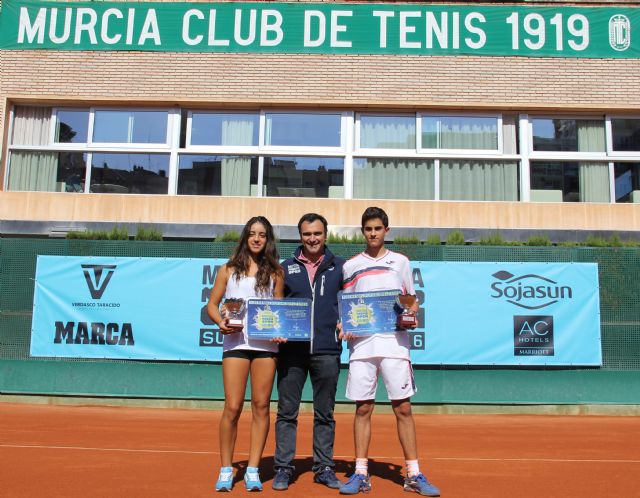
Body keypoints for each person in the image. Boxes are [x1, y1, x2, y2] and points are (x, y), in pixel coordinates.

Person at [338, 207, 440, 497]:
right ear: (363, 232)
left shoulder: (401, 262)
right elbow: (346, 304)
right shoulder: (350, 266)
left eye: (377, 228)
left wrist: (411, 312)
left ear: (386, 230)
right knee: (363, 408)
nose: (373, 233)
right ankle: (360, 473)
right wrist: (344, 323)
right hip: (362, 346)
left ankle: (413, 473)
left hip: (395, 344)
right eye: (368, 229)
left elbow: (411, 300)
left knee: (403, 408)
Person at [207, 216, 285, 492]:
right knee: (233, 406)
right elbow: (212, 305)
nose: (256, 239)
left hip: (265, 347)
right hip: (236, 345)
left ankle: (252, 470)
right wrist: (221, 322)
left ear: (268, 239)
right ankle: (227, 469)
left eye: (262, 235)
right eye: (252, 233)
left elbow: (279, 311)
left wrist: (279, 328)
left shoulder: (276, 272)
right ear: (245, 237)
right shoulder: (228, 270)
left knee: (262, 406)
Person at [272, 213, 345, 491]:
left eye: (317, 233)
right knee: (287, 412)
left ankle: (324, 467)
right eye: (306, 234)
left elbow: (348, 302)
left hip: (327, 351)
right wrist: (277, 327)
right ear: (299, 236)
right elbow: (276, 305)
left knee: (324, 413)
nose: (312, 239)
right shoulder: (285, 267)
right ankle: (283, 468)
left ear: (325, 235)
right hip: (292, 352)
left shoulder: (341, 266)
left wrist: (345, 321)